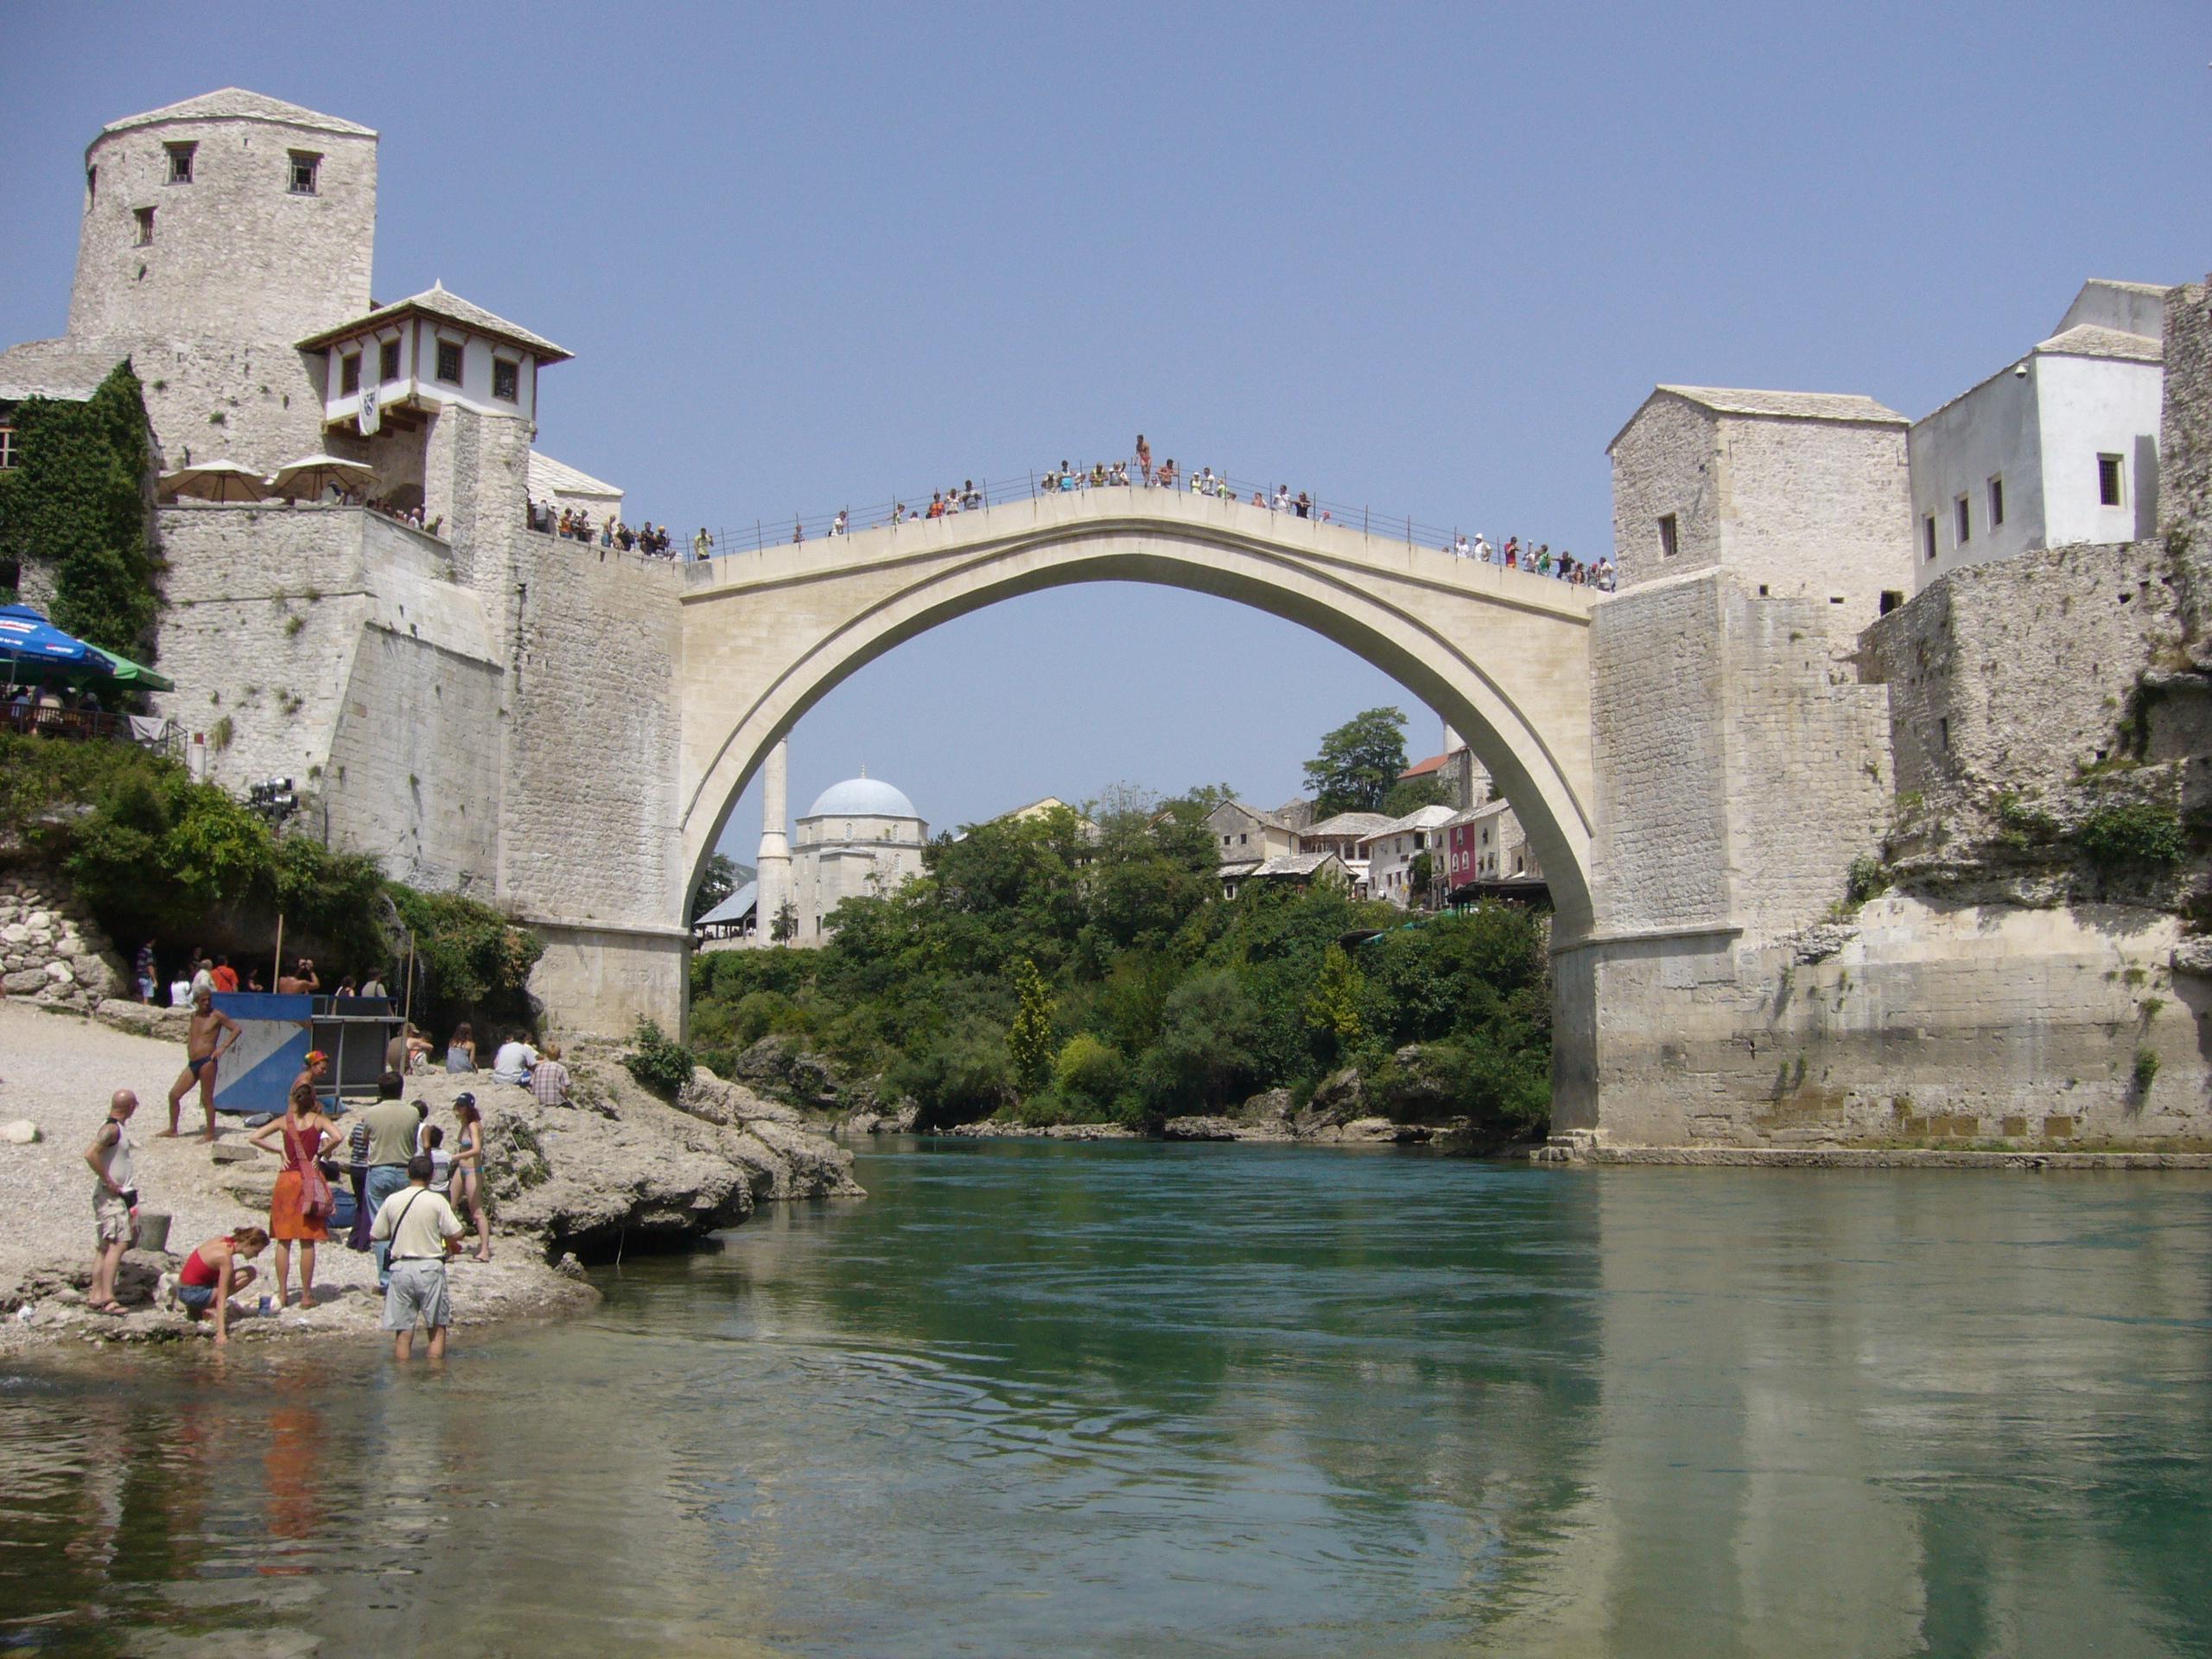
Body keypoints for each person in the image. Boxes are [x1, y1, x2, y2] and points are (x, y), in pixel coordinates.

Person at [248, 1081, 342, 1308]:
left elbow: (255, 1137)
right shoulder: (319, 1121)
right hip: (308, 1179)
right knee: (307, 1241)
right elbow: (338, 1136)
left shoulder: (283, 1122)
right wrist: (321, 1153)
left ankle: (282, 1294)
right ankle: (307, 1295)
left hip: (287, 1180)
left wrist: (279, 1150)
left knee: (284, 1239)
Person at [371, 1154, 466, 1361]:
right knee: (436, 1328)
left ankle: (402, 1381)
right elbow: (457, 1233)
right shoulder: (436, 1201)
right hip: (430, 1268)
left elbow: (376, 1234)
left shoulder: (392, 1200)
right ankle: (435, 1379)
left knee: (403, 1333)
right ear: (431, 1176)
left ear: (407, 1173)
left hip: (400, 1269)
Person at [359, 1076, 420, 1290]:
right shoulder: (413, 1113)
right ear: (401, 1089)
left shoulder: (371, 1113)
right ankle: (405, 1276)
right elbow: (414, 1139)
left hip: (379, 1169)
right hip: (405, 1170)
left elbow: (366, 1139)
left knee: (380, 1227)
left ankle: (386, 1281)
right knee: (403, 1225)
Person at [84, 1089, 140, 1317]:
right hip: (112, 1197)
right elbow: (90, 1154)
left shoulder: (117, 1129)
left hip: (115, 1196)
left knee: (104, 1246)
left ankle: (96, 1295)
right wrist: (109, 1182)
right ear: (130, 1107)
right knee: (118, 1244)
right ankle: (108, 1297)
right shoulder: (111, 1129)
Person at [164, 986, 240, 1141]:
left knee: (206, 1098)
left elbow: (236, 1029)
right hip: (193, 1062)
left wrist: (222, 1047)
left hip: (207, 1061)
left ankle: (210, 1133)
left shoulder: (216, 1015)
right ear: (196, 1001)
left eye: (209, 1000)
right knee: (174, 1095)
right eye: (203, 1000)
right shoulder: (194, 1016)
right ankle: (173, 1129)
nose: (207, 1003)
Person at [172, 1226, 267, 1345]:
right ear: (248, 1243)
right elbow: (221, 1299)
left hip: (182, 1288)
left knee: (248, 1272)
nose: (256, 1256)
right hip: (191, 1294)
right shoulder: (224, 1259)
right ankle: (203, 1306)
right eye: (256, 1251)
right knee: (249, 1274)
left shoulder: (222, 1240)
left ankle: (196, 1308)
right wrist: (221, 1334)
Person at [448, 1094, 493, 1261]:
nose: (457, 1109)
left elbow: (476, 1149)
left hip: (473, 1170)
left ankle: (485, 1250)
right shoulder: (464, 1124)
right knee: (450, 1206)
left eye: (461, 1106)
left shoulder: (474, 1125)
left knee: (477, 1211)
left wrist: (455, 1157)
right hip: (462, 1169)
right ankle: (450, 1246)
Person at [530, 1039, 570, 1107]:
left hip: (538, 1101)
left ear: (547, 1055)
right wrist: (566, 1100)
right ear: (559, 1055)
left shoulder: (538, 1068)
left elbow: (532, 1085)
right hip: (556, 1102)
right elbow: (564, 1090)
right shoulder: (561, 1068)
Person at [289, 1049, 332, 1114]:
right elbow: (299, 1106)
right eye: (322, 1068)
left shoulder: (305, 1077)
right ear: (313, 1066)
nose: (325, 1072)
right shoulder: (304, 1082)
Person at [135, 940, 156, 1005]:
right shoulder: (148, 952)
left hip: (140, 976)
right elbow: (150, 966)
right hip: (146, 976)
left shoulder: (141, 951)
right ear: (152, 941)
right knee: (146, 996)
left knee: (141, 994)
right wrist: (154, 979)